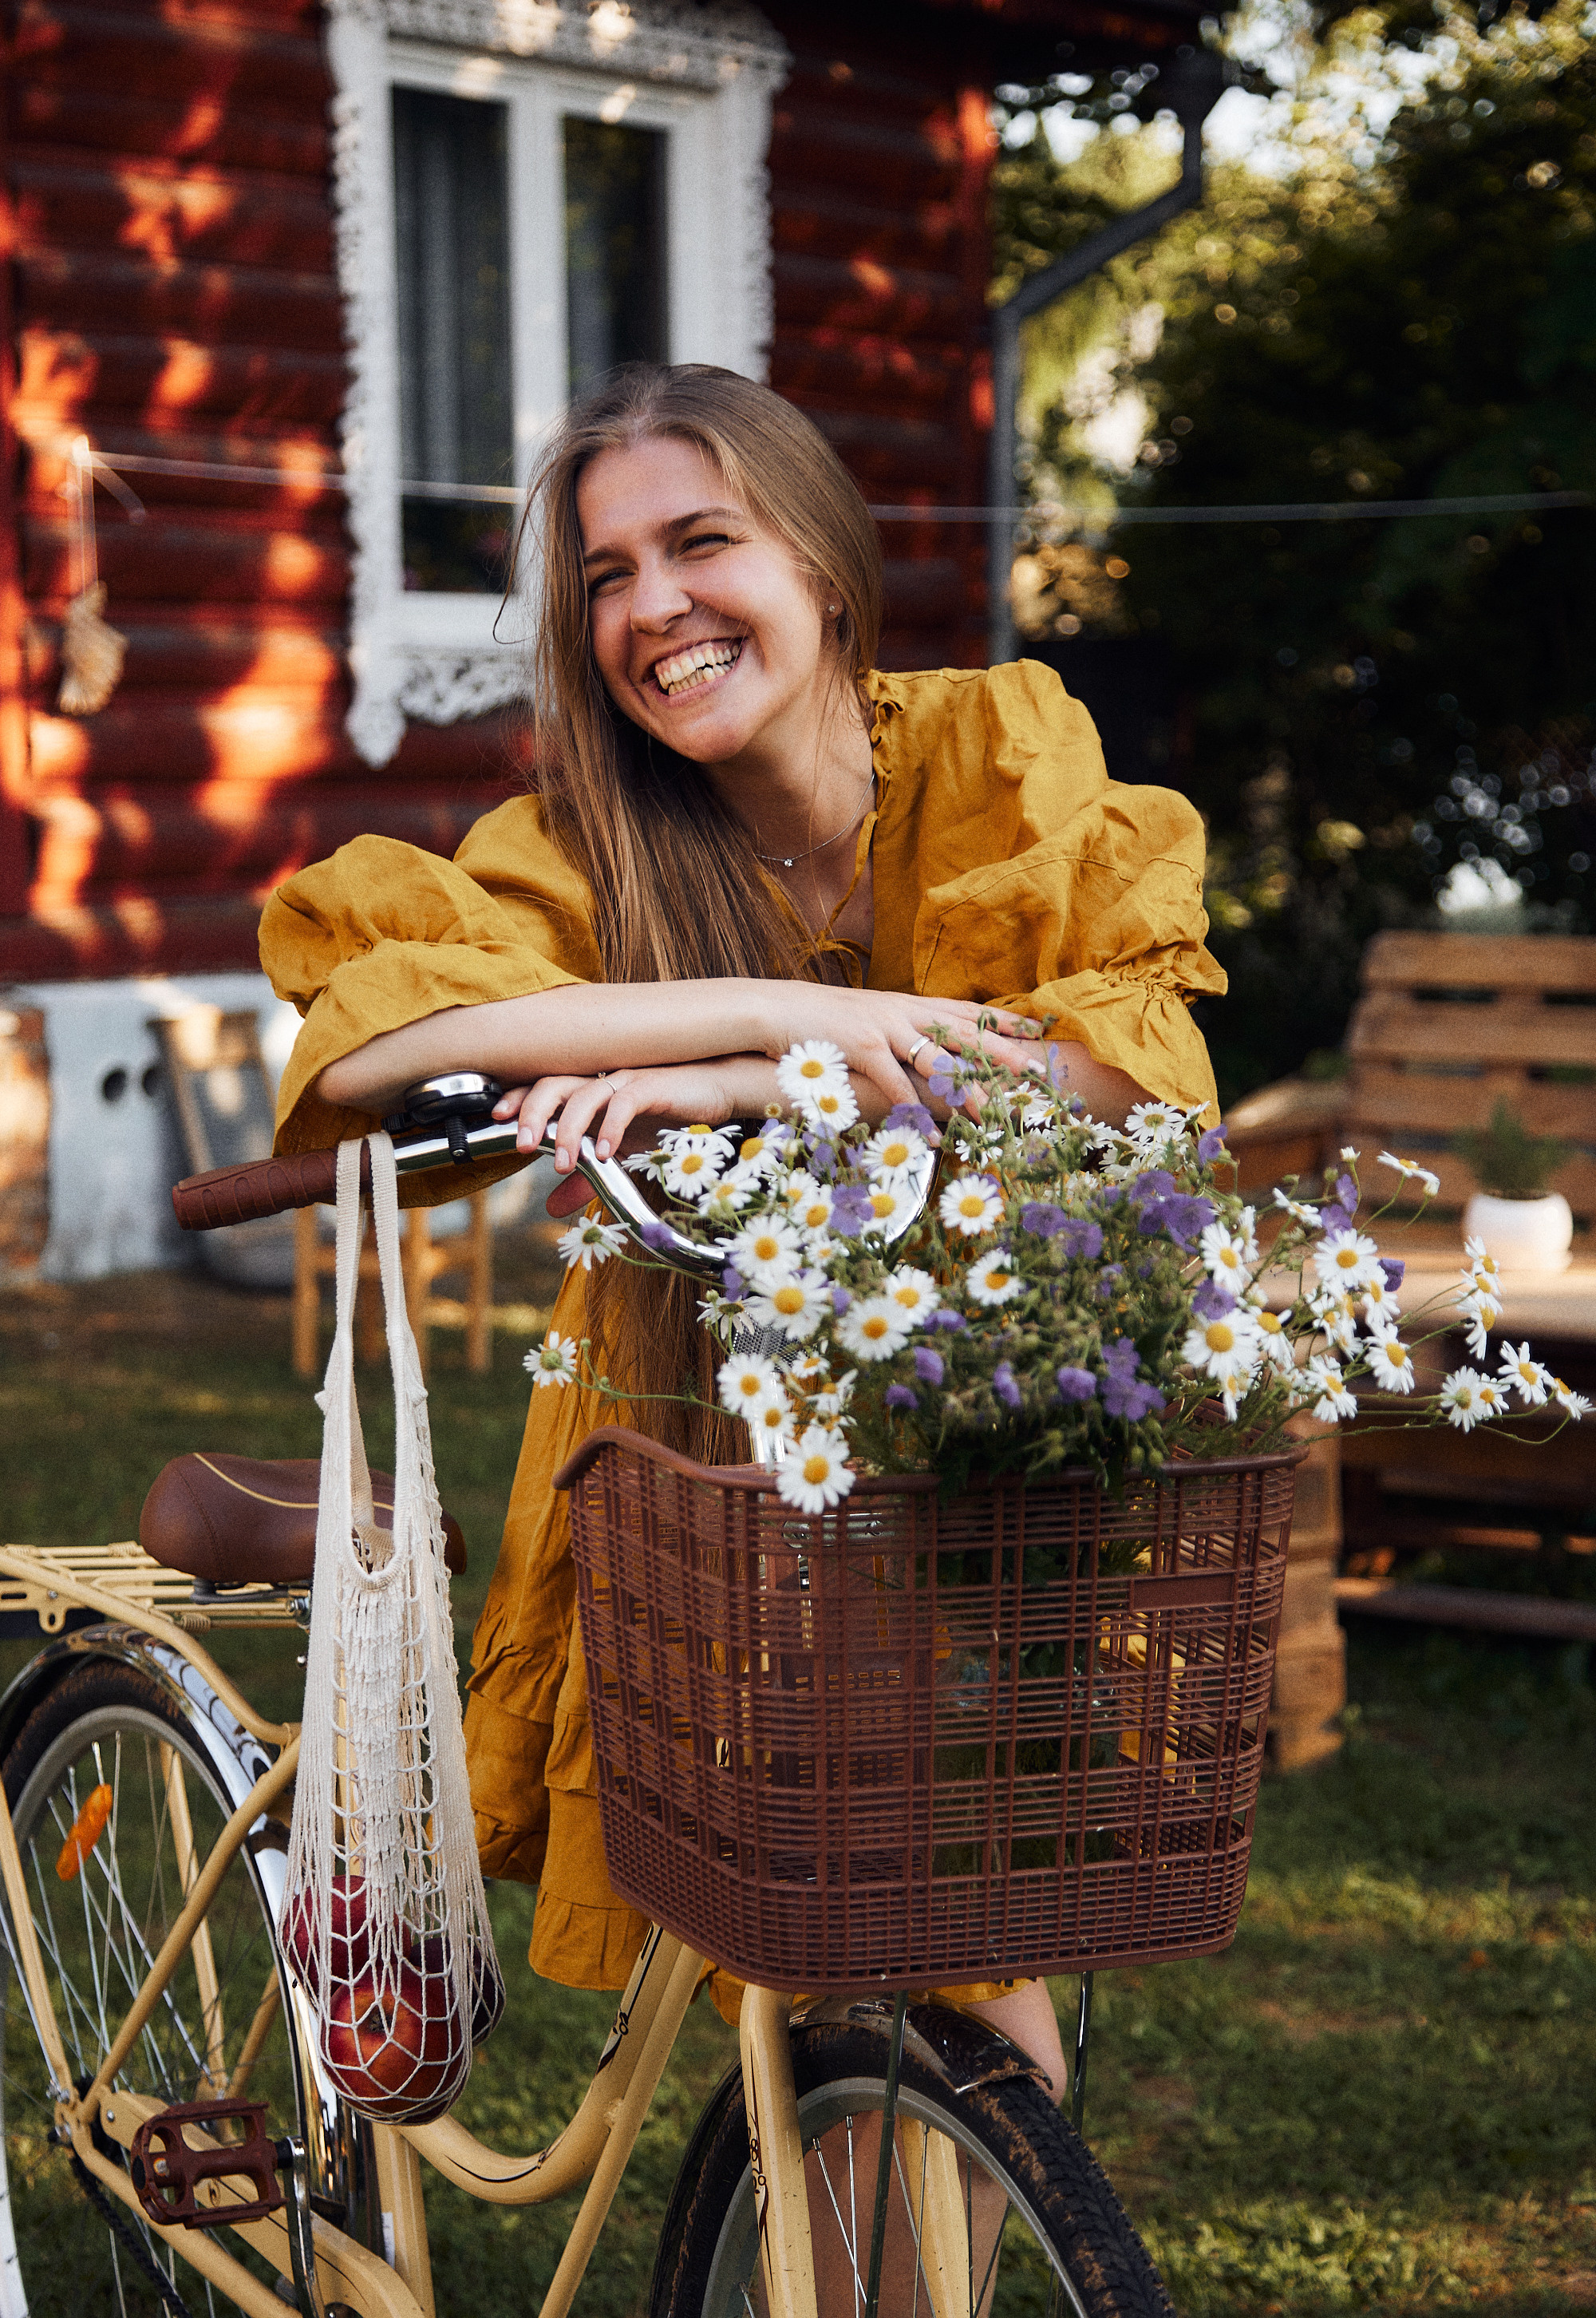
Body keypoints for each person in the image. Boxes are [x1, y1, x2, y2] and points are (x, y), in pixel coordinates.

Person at [261, 362, 1225, 2110]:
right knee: (822, 1961)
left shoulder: (1001, 750)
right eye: (607, 576)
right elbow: (373, 1032)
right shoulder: (587, 841)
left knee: (964, 1974)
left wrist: (749, 1080)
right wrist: (762, 1014)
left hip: (979, 1422)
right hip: (707, 1436)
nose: (653, 609)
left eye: (700, 542)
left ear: (824, 568)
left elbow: (1131, 1064)